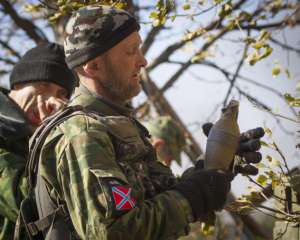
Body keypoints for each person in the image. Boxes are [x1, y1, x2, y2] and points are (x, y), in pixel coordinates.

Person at [24, 5, 265, 239]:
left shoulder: (113, 125)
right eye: (131, 51)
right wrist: (193, 196)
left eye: (139, 49)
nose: (143, 61)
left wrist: (212, 169)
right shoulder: (82, 133)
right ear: (93, 66)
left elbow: (156, 200)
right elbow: (114, 232)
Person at [0, 43, 76, 240]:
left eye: (62, 94)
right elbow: (26, 205)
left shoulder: (31, 135)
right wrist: (52, 137)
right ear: (18, 84)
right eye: (44, 86)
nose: (52, 101)